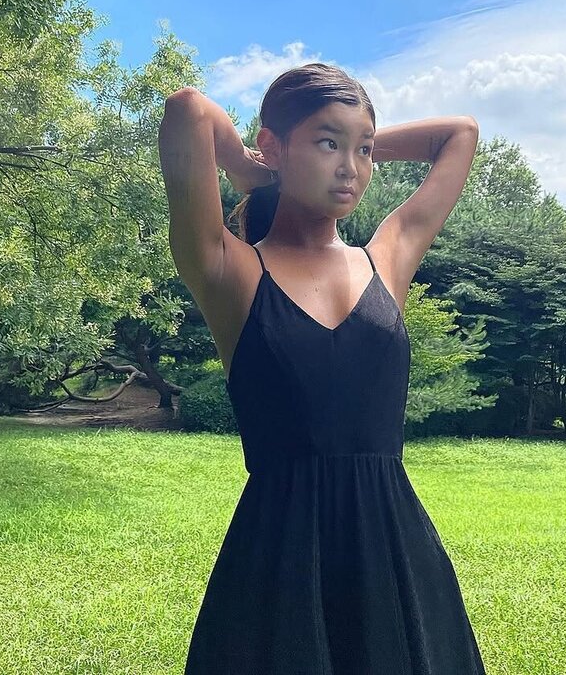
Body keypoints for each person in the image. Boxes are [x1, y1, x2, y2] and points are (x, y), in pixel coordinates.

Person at [157, 61, 486, 674]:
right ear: (274, 145)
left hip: (396, 554)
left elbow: (459, 134)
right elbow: (188, 110)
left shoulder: (387, 259)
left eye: (363, 151)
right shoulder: (231, 270)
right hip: (279, 562)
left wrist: (343, 142)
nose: (351, 167)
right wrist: (257, 168)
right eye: (327, 144)